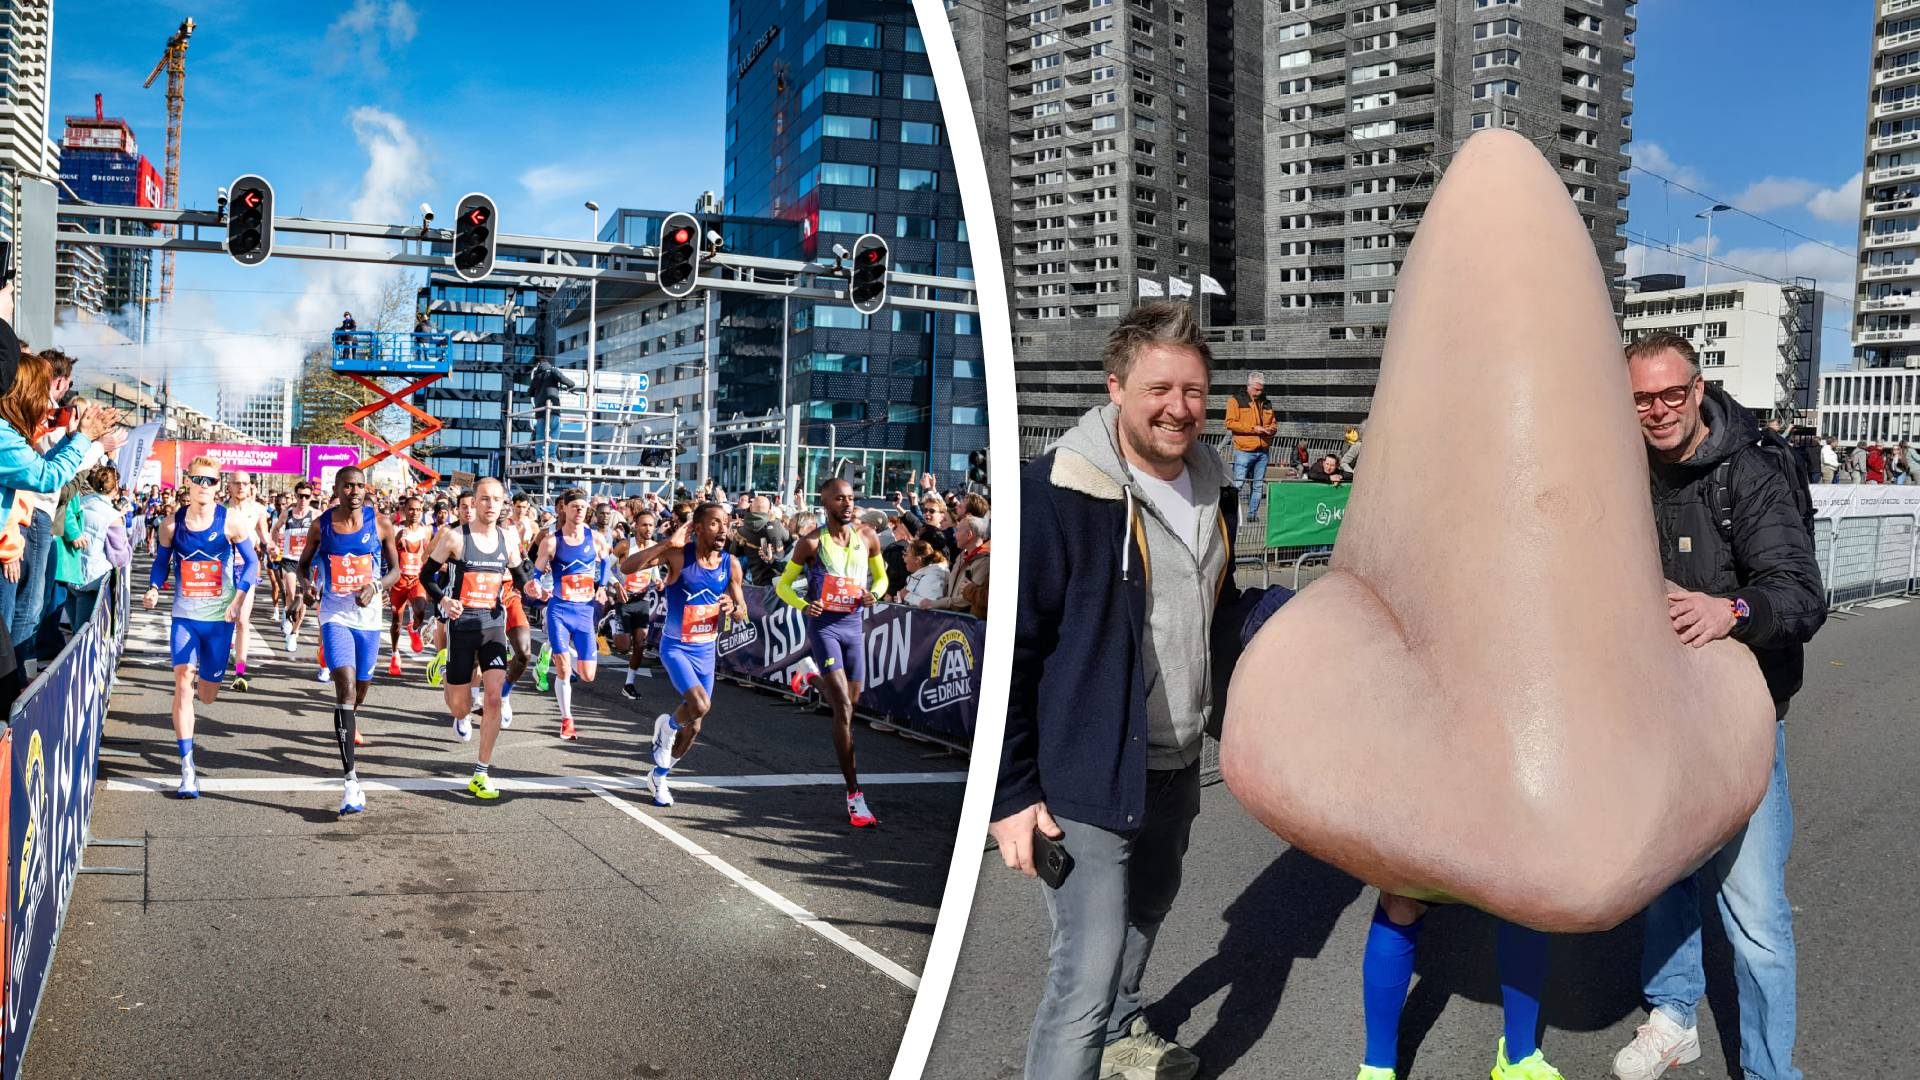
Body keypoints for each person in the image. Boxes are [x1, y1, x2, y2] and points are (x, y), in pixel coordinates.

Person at [993, 301, 1246, 1080]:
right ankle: (1097, 1033)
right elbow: (1013, 648)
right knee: (1085, 975)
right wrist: (1010, 793)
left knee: (1149, 909)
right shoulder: (1056, 492)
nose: (1179, 408)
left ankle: (1121, 1035)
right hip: (1087, 769)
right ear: (1115, 388)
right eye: (1158, 389)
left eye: (1194, 391)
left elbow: (1218, 610)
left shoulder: (1215, 485)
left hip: (1177, 760)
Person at [1612, 331, 1825, 1080]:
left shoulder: (1752, 470)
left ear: (1698, 390)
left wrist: (1728, 610)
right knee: (1665, 876)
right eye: (1642, 398)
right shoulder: (1621, 465)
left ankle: (1770, 1071)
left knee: (1755, 910)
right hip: (1657, 715)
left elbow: (1801, 595)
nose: (1659, 410)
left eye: (1673, 392)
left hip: (1741, 720)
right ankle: (1673, 1016)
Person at [775, 477, 888, 828]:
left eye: (851, 497)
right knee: (843, 708)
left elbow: (882, 579)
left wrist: (875, 595)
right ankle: (855, 795)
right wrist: (803, 604)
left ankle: (809, 676)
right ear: (825, 503)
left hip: (853, 627)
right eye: (840, 498)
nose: (847, 503)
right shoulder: (811, 543)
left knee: (849, 706)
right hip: (825, 628)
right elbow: (782, 586)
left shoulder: (867, 537)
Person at [418, 477, 541, 799]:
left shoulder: (508, 538)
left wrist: (530, 586)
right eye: (484, 498)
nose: (490, 505)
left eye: (496, 499)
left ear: (503, 504)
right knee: (460, 709)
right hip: (461, 628)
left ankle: (481, 772)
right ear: (474, 502)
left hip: (492, 626)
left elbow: (520, 574)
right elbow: (426, 575)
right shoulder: (455, 538)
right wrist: (443, 600)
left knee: (493, 698)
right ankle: (445, 667)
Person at [145, 455, 260, 798]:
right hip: (185, 618)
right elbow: (161, 563)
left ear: (218, 486)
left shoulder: (231, 521)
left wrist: (238, 599)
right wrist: (154, 588)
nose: (204, 486)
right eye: (198, 480)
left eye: (210, 481)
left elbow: (252, 563)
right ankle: (187, 768)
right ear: (188, 482)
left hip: (219, 621)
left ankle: (203, 687)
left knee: (207, 696)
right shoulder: (171, 525)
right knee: (182, 682)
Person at [624, 503, 745, 807]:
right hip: (677, 646)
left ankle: (659, 776)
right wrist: (667, 543)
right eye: (715, 523)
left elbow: (742, 611)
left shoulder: (730, 564)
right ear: (698, 528)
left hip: (706, 649)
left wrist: (734, 607)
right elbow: (627, 568)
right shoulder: (679, 555)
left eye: (726, 523)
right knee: (700, 704)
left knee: (696, 726)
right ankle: (666, 728)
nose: (724, 529)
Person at [296, 466, 400, 816]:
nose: (354, 492)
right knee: (345, 687)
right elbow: (302, 566)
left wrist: (376, 586)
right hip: (335, 615)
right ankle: (351, 783)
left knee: (360, 690)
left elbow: (395, 571)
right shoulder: (321, 526)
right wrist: (306, 588)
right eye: (347, 486)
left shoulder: (381, 523)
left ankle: (349, 719)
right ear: (337, 489)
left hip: (368, 619)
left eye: (359, 486)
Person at [532, 488, 609, 741]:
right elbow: (536, 572)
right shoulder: (552, 541)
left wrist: (602, 587)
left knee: (588, 675)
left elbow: (606, 562)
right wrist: (536, 586)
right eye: (574, 506)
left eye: (583, 507)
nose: (579, 511)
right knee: (564, 670)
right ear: (563, 508)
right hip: (560, 610)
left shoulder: (595, 538)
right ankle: (567, 720)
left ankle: (551, 653)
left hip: (585, 611)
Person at [60, 464, 128, 631]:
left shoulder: (80, 503)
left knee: (76, 633)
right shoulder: (113, 516)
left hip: (71, 574)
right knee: (84, 635)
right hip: (92, 581)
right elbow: (119, 557)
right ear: (115, 488)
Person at [222, 472, 275, 690]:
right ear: (229, 486)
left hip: (246, 568)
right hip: (223, 570)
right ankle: (217, 662)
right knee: (222, 620)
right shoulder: (220, 510)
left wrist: (271, 546)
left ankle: (240, 673)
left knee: (243, 621)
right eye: (237, 483)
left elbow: (264, 535)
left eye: (245, 483)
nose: (241, 487)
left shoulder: (258, 510)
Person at [609, 505, 662, 698]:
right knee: (623, 648)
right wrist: (616, 585)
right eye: (644, 525)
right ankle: (610, 621)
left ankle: (629, 684)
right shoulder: (624, 546)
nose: (648, 529)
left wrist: (658, 579)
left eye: (651, 525)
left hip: (642, 599)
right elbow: (606, 568)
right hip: (624, 598)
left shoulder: (655, 546)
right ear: (636, 526)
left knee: (640, 644)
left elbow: (653, 568)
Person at [386, 493, 434, 675]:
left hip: (417, 580)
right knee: (396, 622)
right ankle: (395, 655)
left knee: (420, 611)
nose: (415, 513)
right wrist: (397, 539)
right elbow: (386, 555)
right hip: (399, 581)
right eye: (411, 509)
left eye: (418, 510)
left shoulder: (427, 531)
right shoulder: (395, 529)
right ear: (404, 510)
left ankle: (414, 629)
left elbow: (431, 554)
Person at [1224, 371, 1276, 523]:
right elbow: (1230, 423)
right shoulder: (1235, 400)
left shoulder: (1266, 402)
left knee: (1258, 485)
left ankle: (1252, 515)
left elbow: (1274, 423)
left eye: (1261, 389)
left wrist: (1271, 430)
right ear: (1249, 386)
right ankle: (1229, 513)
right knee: (1238, 483)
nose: (1259, 392)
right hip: (1244, 450)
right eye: (1256, 389)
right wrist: (1254, 429)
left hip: (1263, 450)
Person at [276, 482, 319, 655]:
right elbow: (275, 529)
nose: (303, 499)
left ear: (311, 497)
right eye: (300, 496)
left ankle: (294, 633)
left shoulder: (315, 515)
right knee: (292, 595)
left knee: (303, 598)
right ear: (295, 496)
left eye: (307, 496)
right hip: (289, 560)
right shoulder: (287, 513)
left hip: (307, 562)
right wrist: (275, 545)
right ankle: (287, 614)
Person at [921, 514, 990, 621]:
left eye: (957, 530)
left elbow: (967, 599)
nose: (954, 534)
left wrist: (935, 604)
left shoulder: (985, 562)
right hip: (952, 621)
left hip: (965, 624)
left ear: (969, 535)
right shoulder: (961, 556)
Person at [898, 539, 949, 607]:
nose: (903, 557)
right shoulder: (921, 575)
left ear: (917, 560)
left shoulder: (931, 578)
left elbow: (933, 607)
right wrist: (899, 600)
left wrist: (907, 596)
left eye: (906, 554)